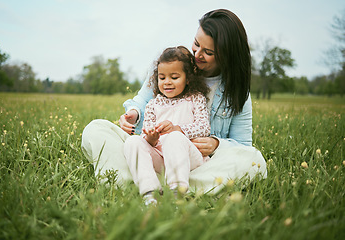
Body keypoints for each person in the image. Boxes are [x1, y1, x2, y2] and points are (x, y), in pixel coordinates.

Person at [81, 9, 267, 195]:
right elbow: (141, 101)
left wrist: (217, 144)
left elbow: (243, 145)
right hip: (152, 153)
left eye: (208, 52)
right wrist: (133, 114)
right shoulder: (172, 64)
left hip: (197, 164)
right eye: (196, 44)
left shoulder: (237, 92)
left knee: (255, 161)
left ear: (226, 55)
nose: (197, 54)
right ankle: (163, 184)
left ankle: (154, 185)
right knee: (96, 129)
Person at [124, 46, 210, 204]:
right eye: (162, 78)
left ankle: (178, 194)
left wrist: (178, 129)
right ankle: (150, 194)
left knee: (174, 137)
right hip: (162, 159)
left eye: (174, 77)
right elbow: (146, 138)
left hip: (189, 157)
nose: (167, 82)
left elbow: (204, 127)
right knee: (133, 141)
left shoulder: (195, 98)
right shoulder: (153, 104)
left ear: (188, 78)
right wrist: (151, 138)